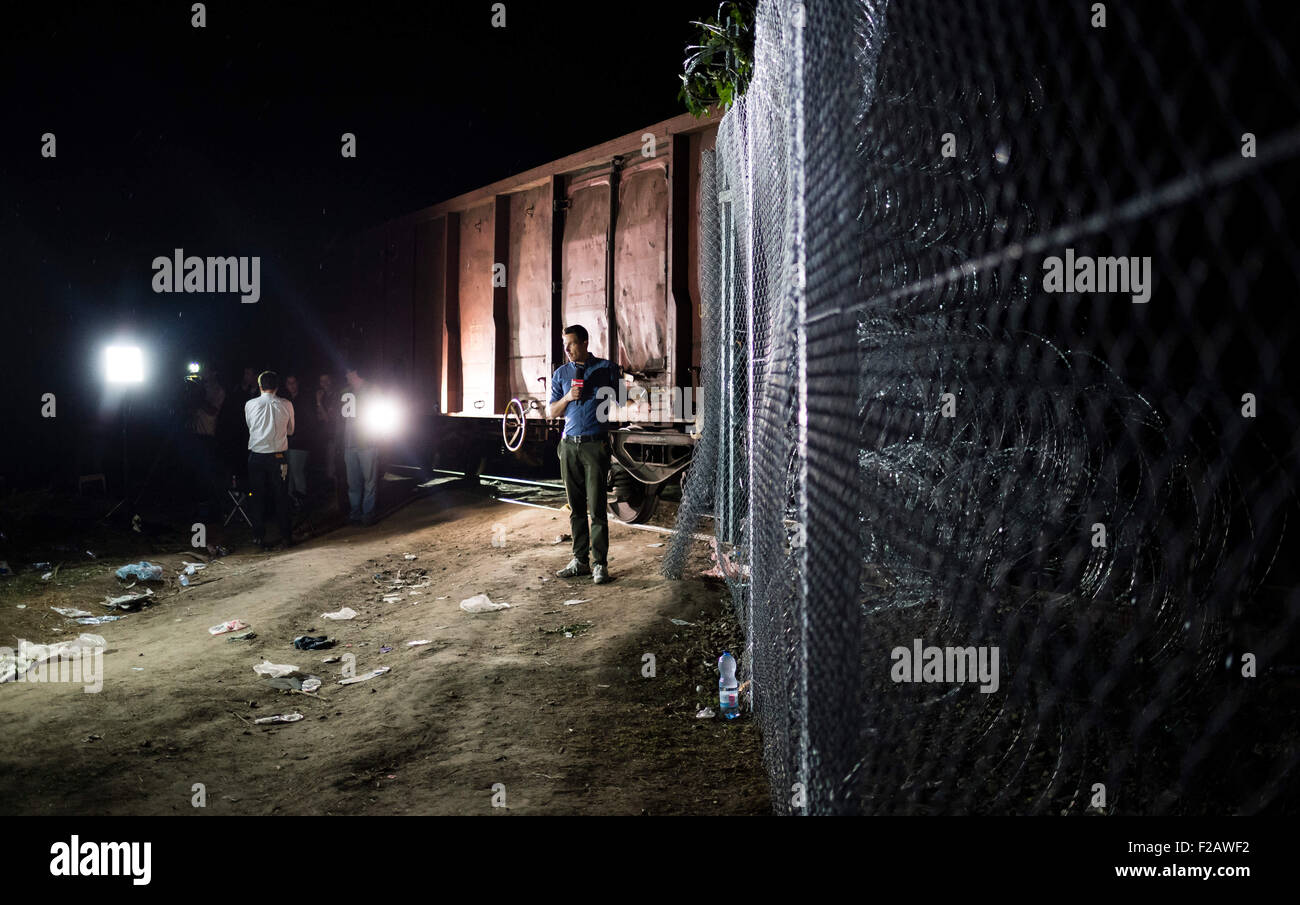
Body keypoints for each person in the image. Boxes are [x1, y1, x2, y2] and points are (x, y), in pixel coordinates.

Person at [546, 324, 619, 584]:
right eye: (565, 345)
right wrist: (567, 398)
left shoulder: (607, 368)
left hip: (594, 446)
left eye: (572, 344)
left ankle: (600, 564)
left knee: (597, 508)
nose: (567, 349)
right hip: (569, 446)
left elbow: (621, 399)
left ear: (585, 343)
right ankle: (580, 561)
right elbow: (551, 412)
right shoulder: (561, 374)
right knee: (576, 508)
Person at [244, 370, 295, 548]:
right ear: (277, 386)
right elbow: (291, 431)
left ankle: (258, 537)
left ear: (259, 386)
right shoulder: (286, 404)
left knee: (257, 497)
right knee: (281, 497)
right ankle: (286, 537)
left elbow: (250, 426)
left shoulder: (250, 404)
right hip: (278, 456)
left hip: (256, 455)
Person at [342, 365, 379, 525]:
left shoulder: (373, 390)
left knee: (369, 480)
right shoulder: (344, 392)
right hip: (349, 442)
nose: (346, 374)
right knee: (353, 482)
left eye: (348, 371)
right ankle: (356, 512)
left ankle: (367, 513)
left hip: (367, 441)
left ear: (355, 372)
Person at [280, 374, 312, 507]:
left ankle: (301, 502)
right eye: (289, 383)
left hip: (300, 442)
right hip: (287, 442)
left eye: (294, 383)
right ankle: (291, 502)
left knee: (297, 472)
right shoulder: (285, 400)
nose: (292, 386)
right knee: (288, 474)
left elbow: (308, 421)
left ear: (297, 383)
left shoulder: (304, 399)